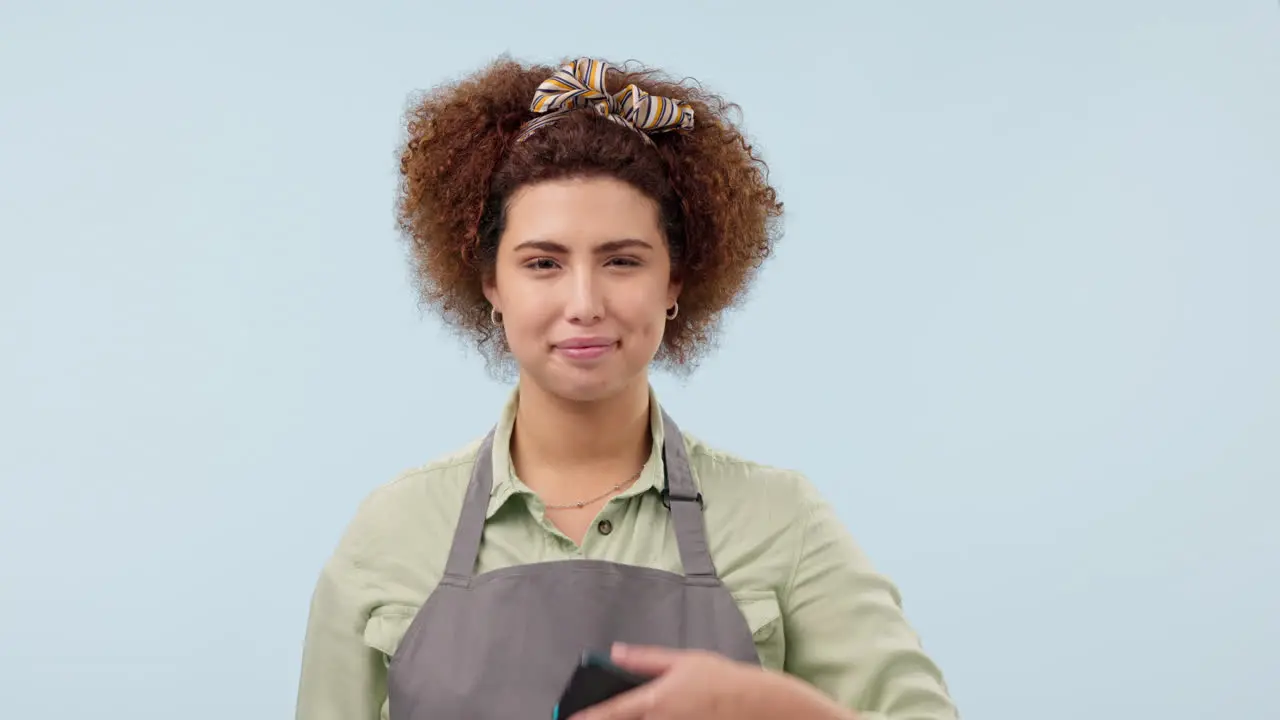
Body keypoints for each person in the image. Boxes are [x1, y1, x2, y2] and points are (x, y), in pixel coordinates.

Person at [295, 56, 958, 720]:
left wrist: (775, 708)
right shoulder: (391, 534)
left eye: (621, 261)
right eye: (543, 263)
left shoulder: (780, 522)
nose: (584, 303)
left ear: (675, 280)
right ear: (491, 283)